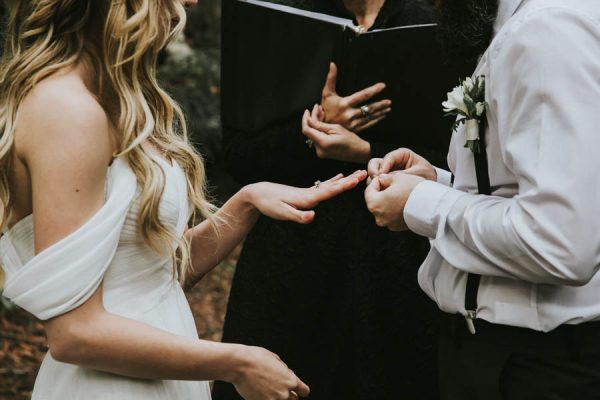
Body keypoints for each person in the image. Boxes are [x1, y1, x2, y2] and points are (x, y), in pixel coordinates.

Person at [0, 1, 368, 399]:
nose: (191, 1)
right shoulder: (66, 109)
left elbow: (154, 274)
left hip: (158, 373)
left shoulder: (115, 100)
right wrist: (236, 362)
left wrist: (245, 205)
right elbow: (74, 333)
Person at [214, 1, 465, 399]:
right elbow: (240, 155)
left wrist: (366, 150)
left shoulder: (435, 22)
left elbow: (460, 165)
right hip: (292, 261)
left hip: (397, 264)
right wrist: (312, 138)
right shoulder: (276, 17)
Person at [361, 0, 600, 398]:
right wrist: (438, 183)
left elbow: (560, 241)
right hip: (506, 356)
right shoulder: (522, 25)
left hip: (538, 366)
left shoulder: (547, 31)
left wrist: (422, 204)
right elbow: (528, 190)